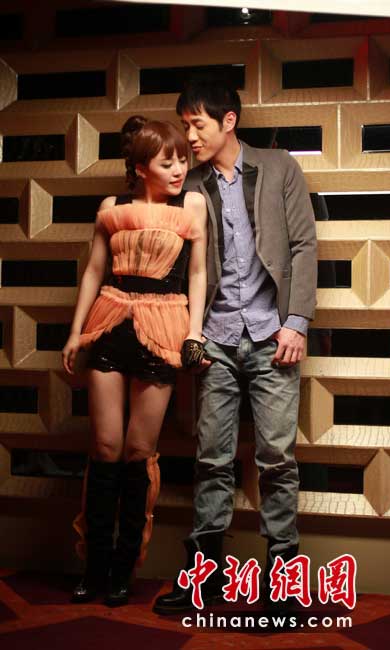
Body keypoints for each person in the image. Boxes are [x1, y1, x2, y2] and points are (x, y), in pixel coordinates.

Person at [153, 80, 317, 615]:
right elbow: (176, 259)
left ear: (229, 121)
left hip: (273, 336)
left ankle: (284, 583)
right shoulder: (189, 182)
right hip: (215, 339)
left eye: (197, 124)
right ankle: (205, 580)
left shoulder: (279, 167)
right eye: (185, 125)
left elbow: (303, 244)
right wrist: (188, 331)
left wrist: (297, 323)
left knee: (277, 461)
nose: (189, 136)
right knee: (211, 460)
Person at [62, 116, 207, 607]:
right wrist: (76, 333)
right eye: (168, 162)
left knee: (138, 450)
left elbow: (198, 274)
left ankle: (124, 568)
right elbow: (94, 271)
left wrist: (194, 333)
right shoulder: (112, 208)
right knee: (104, 446)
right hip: (110, 321)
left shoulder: (192, 206)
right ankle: (94, 566)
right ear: (141, 167)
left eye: (183, 160)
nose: (179, 170)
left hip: (164, 327)